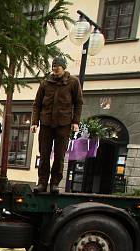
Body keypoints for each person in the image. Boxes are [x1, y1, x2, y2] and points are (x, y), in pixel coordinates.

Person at [31, 56, 83, 193]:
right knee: (44, 155)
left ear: (64, 68)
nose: (55, 72)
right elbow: (36, 105)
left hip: (63, 124)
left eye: (58, 69)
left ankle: (54, 184)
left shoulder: (73, 82)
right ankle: (42, 183)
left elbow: (78, 103)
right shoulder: (45, 83)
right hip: (46, 124)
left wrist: (75, 121)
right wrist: (35, 122)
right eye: (54, 69)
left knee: (59, 156)